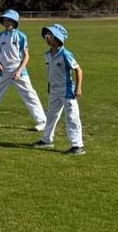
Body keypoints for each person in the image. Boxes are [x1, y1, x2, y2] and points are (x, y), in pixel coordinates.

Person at [0, 9, 46, 131]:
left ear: (15, 21)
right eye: (5, 20)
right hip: (4, 71)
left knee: (29, 95)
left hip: (18, 70)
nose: (7, 22)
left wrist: (19, 71)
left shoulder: (21, 36)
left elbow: (26, 56)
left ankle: (42, 121)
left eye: (10, 20)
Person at [33, 24, 85, 155]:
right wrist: (49, 86)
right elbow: (50, 71)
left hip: (67, 90)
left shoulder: (66, 54)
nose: (47, 38)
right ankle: (46, 140)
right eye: (46, 35)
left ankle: (78, 145)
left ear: (57, 38)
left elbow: (78, 70)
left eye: (50, 35)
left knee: (72, 117)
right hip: (54, 91)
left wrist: (78, 88)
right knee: (51, 116)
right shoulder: (47, 55)